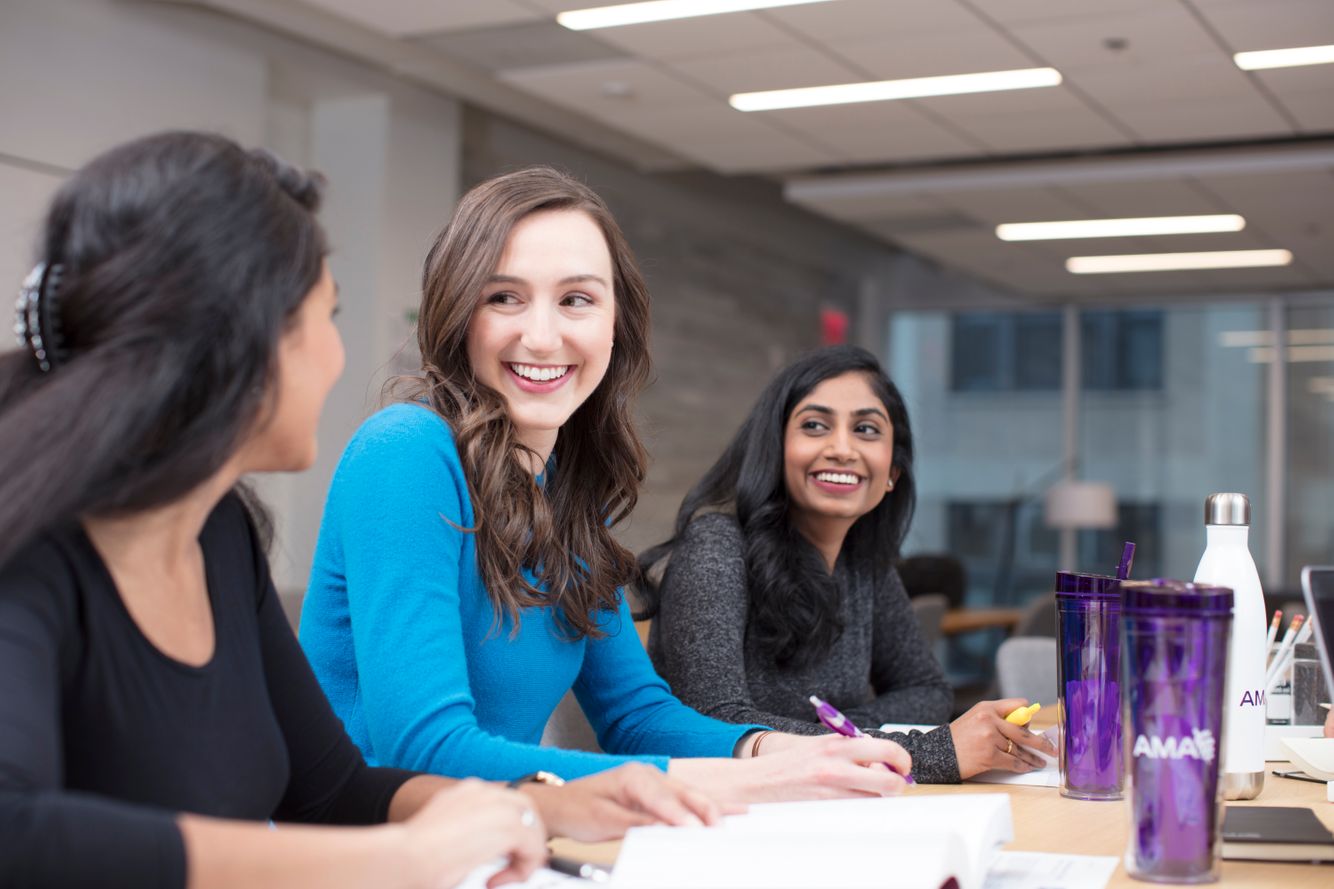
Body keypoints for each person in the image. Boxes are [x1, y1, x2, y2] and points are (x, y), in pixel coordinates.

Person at [0, 132, 720, 889]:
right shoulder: (31, 546)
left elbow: (332, 787)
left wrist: (537, 806)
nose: (337, 356)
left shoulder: (219, 534)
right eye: (325, 316)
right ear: (235, 341)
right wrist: (399, 857)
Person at [300, 167, 911, 804]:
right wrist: (749, 779)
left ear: (615, 325)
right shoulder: (405, 452)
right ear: (459, 314)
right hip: (355, 854)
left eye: (576, 300)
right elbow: (426, 751)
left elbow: (637, 715)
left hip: (489, 845)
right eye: (503, 296)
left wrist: (781, 749)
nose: (542, 336)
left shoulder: (564, 494)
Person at [638, 345, 1056, 783]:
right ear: (775, 452)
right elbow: (719, 726)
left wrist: (844, 732)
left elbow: (927, 691)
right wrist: (909, 750)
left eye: (867, 430)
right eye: (815, 426)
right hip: (722, 811)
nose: (842, 448)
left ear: (892, 471)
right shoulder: (715, 549)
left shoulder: (864, 564)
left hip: (819, 801)